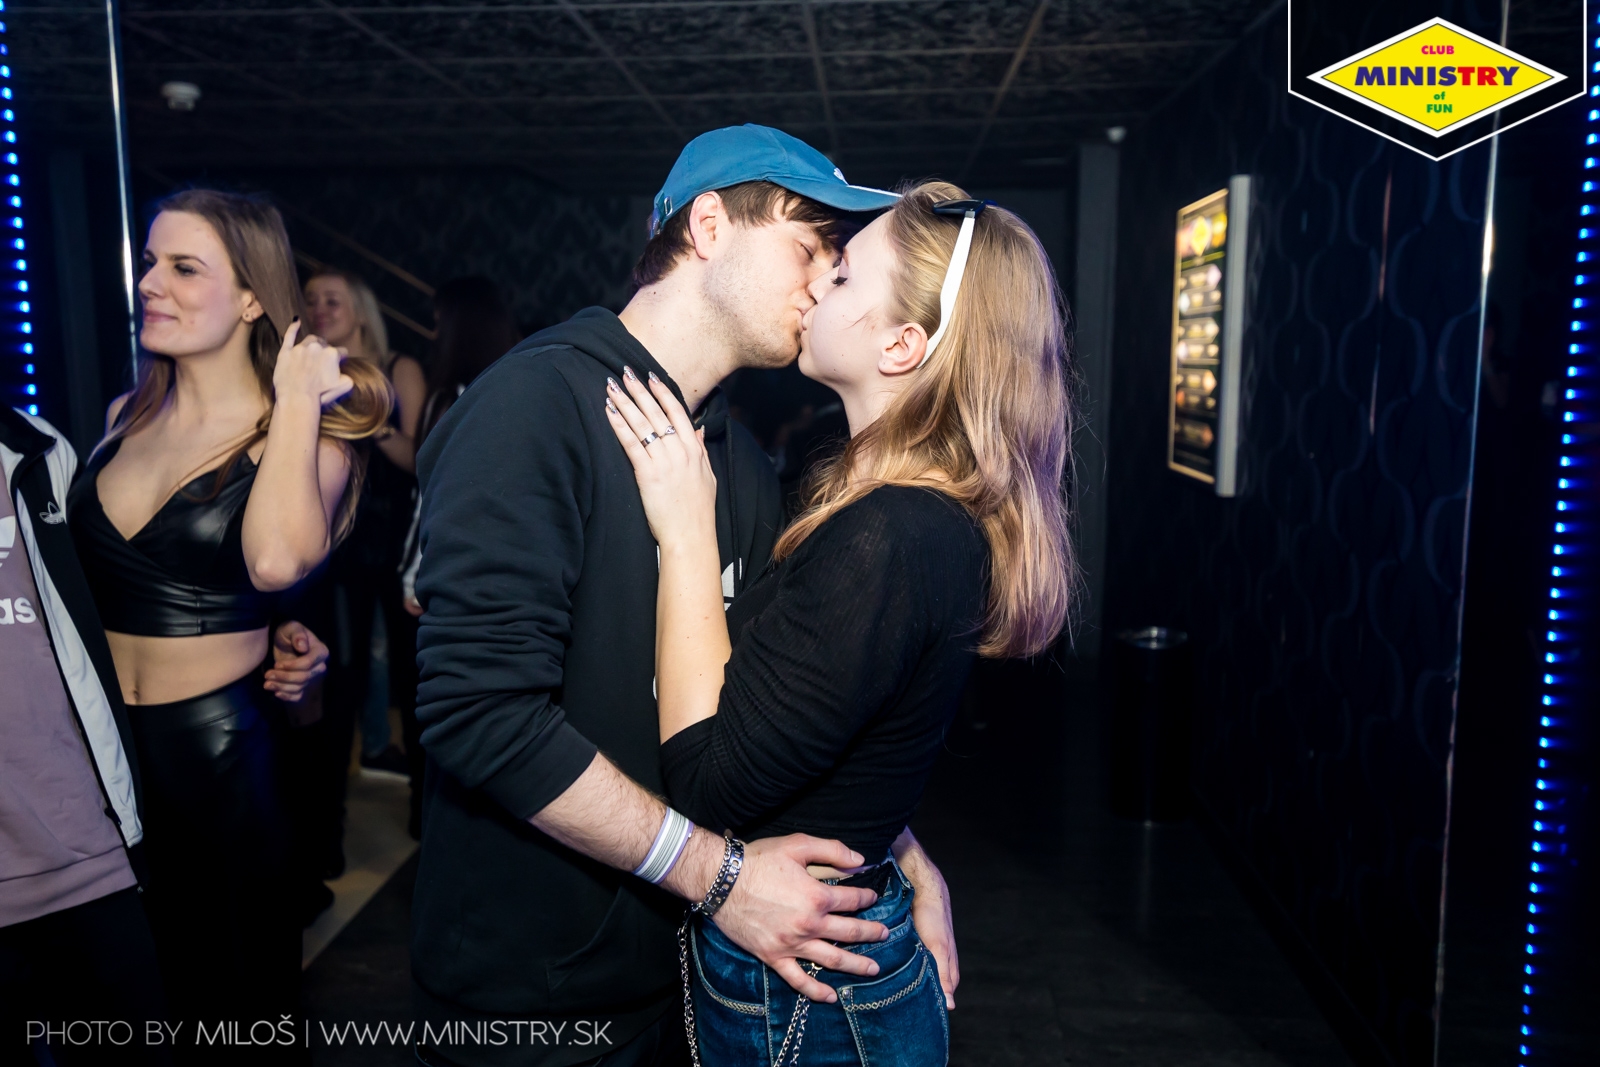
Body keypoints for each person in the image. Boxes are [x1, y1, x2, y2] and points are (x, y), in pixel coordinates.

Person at [410, 126, 959, 1067]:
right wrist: (720, 877)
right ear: (709, 227)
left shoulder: (737, 458)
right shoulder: (534, 405)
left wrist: (901, 850)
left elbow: (774, 706)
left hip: (682, 975)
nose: (824, 280)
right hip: (534, 1000)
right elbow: (480, 714)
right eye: (809, 245)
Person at [602, 181, 1075, 1064]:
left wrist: (685, 528)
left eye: (847, 274)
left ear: (902, 345)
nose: (820, 280)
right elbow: (830, 735)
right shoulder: (896, 511)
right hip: (822, 971)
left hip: (815, 1002)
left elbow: (706, 784)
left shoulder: (890, 535)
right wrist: (903, 848)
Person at [65, 188, 390, 1045]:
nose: (150, 283)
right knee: (116, 1012)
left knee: (231, 1013)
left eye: (183, 267)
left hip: (219, 762)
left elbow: (274, 562)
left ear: (252, 298)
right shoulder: (123, 417)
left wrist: (295, 399)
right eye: (149, 263)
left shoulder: (313, 437)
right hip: (101, 758)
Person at [1, 404, 329, 1066]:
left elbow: (74, 601)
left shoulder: (40, 451)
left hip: (95, 834)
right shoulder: (113, 426)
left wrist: (259, 628)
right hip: (104, 801)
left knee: (217, 1011)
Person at [301, 268, 424, 883]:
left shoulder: (399, 367)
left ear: (360, 309)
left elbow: (421, 456)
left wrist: (367, 415)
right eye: (312, 299)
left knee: (412, 681)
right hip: (336, 552)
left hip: (396, 550)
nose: (321, 308)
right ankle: (324, 838)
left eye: (333, 299)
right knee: (336, 688)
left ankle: (426, 821)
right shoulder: (304, 371)